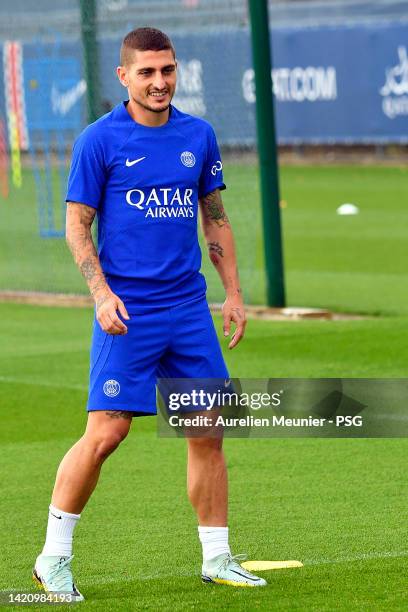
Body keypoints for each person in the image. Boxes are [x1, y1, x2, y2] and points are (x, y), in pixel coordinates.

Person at [32, 27, 266, 600]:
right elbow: (77, 225)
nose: (159, 82)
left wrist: (232, 294)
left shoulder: (198, 136)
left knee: (207, 431)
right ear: (124, 77)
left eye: (167, 71)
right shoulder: (98, 141)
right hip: (128, 314)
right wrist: (100, 293)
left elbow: (215, 218)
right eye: (146, 73)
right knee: (107, 433)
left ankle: (217, 558)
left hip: (188, 309)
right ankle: (52, 559)